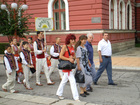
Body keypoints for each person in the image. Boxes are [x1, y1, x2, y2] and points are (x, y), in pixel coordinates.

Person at [56, 34, 80, 101]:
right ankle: (76, 98)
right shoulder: (65, 46)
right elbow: (60, 56)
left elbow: (74, 56)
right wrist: (68, 59)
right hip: (66, 66)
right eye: (71, 39)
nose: (73, 41)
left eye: (74, 39)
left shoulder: (72, 47)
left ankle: (59, 93)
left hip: (69, 66)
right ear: (68, 40)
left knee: (64, 81)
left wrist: (73, 58)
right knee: (73, 81)